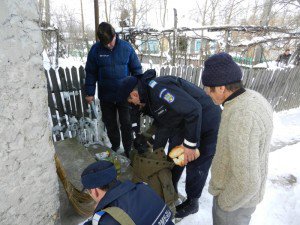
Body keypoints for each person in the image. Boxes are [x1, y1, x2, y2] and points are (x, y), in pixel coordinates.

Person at [116, 69, 221, 219]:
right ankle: (170, 191)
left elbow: (193, 110)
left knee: (196, 163)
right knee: (173, 158)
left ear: (134, 94)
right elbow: (163, 121)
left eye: (130, 101)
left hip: (207, 121)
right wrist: (144, 138)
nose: (132, 104)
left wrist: (190, 145)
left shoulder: (159, 89)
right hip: (185, 122)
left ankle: (192, 202)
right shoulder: (147, 96)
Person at [201, 52, 273, 225]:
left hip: (234, 204)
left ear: (221, 88)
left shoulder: (242, 115)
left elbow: (247, 182)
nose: (207, 94)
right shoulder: (252, 98)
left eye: (208, 89)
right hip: (240, 198)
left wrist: (224, 203)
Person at [85, 22, 142, 157]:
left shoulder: (126, 48)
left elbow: (137, 71)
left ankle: (128, 150)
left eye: (111, 41)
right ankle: (115, 146)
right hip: (106, 95)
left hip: (125, 96)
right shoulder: (95, 50)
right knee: (110, 124)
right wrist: (90, 92)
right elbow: (91, 72)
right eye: (106, 44)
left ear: (115, 35)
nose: (110, 45)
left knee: (126, 124)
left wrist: (136, 90)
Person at [80, 160, 174, 225]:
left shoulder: (107, 219)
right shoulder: (143, 187)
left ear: (95, 191)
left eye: (89, 192)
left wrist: (98, 214)